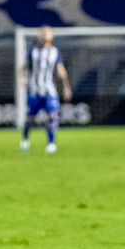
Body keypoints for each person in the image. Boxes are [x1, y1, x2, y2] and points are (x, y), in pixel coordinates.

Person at [19, 25, 72, 155]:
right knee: (30, 119)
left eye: (47, 33)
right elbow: (23, 68)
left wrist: (66, 87)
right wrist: (22, 79)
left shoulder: (55, 52)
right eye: (43, 33)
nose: (44, 35)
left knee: (52, 117)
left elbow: (61, 70)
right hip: (35, 91)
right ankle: (25, 139)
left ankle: (51, 143)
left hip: (50, 91)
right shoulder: (33, 51)